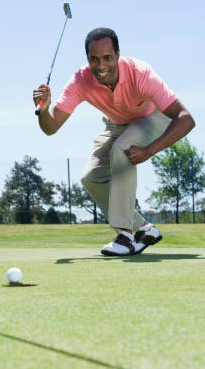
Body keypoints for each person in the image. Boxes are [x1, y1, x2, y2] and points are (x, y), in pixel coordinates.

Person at [33, 27, 195, 256]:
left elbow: (186, 119)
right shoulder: (81, 80)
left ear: (118, 55)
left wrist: (149, 150)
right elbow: (51, 128)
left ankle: (126, 235)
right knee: (91, 178)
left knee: (122, 149)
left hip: (153, 118)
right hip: (118, 125)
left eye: (107, 58)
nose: (101, 66)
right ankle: (144, 229)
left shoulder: (140, 73)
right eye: (94, 59)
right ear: (87, 59)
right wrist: (45, 110)